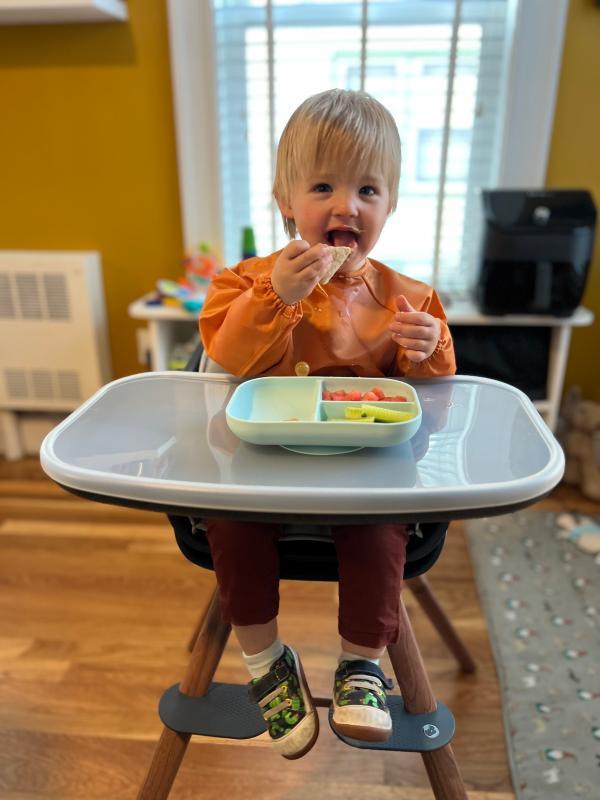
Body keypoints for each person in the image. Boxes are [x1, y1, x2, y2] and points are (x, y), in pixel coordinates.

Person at [199, 88, 456, 759]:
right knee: (228, 522)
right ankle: (265, 663)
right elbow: (225, 355)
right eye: (323, 186)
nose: (348, 205)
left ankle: (362, 665)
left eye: (368, 189)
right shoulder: (241, 283)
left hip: (359, 471)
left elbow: (432, 405)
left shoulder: (412, 297)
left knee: (380, 524)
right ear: (287, 202)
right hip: (260, 467)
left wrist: (431, 349)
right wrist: (274, 298)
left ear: (390, 206)